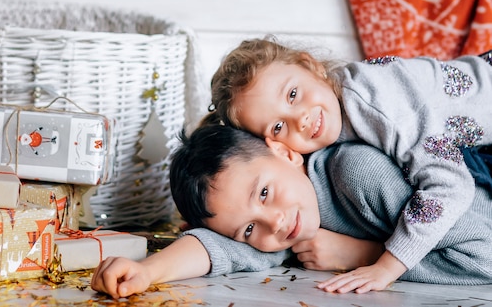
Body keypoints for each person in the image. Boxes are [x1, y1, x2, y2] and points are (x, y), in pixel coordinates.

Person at [200, 37, 492, 292]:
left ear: (310, 65)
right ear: (274, 145)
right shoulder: (324, 137)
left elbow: (450, 183)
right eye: (278, 126)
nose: (299, 119)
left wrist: (386, 266)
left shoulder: (376, 102)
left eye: (292, 95)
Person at [91, 125, 492, 298]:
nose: (275, 223)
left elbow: (485, 258)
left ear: (286, 153)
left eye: (264, 192)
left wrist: (362, 255)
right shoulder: (287, 229)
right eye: (248, 228)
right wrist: (148, 271)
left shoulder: (358, 174)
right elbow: (217, 247)